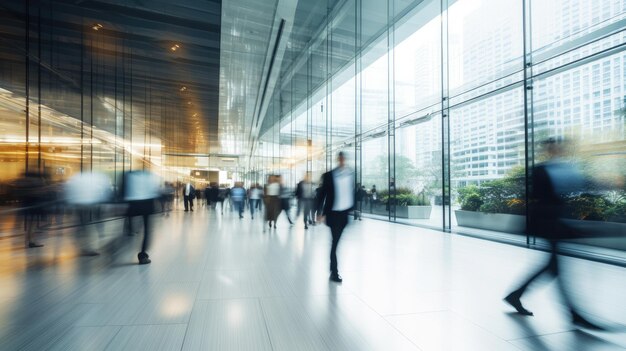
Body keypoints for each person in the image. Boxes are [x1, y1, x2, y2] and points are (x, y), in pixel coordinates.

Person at [503, 138, 604, 330]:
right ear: (548, 149)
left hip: (555, 222)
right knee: (556, 266)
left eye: (559, 146)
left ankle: (516, 296)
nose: (558, 149)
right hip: (547, 223)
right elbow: (541, 196)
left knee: (553, 266)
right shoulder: (543, 169)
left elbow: (577, 186)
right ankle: (573, 314)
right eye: (553, 147)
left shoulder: (561, 168)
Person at [316, 152, 354, 283]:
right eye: (341, 158)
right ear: (338, 159)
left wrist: (351, 209)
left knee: (335, 242)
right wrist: (319, 212)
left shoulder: (350, 174)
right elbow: (322, 194)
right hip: (333, 214)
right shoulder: (329, 175)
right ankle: (334, 272)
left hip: (344, 215)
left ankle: (333, 270)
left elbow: (350, 192)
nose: (342, 160)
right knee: (335, 243)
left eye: (344, 158)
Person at [123, 170, 161, 265]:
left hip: (133, 204)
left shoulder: (129, 176)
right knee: (147, 230)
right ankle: (143, 255)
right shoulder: (149, 176)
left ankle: (127, 236)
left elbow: (123, 191)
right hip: (147, 205)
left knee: (130, 225)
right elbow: (154, 191)